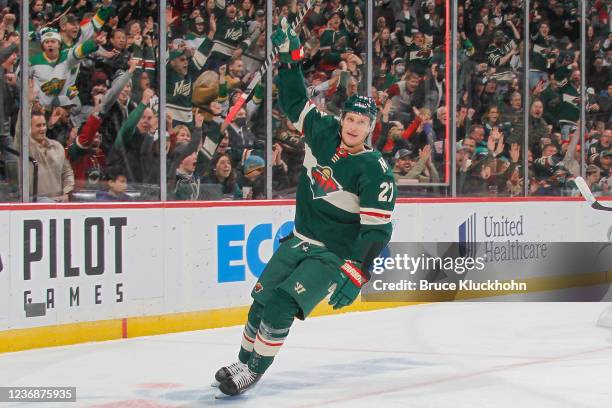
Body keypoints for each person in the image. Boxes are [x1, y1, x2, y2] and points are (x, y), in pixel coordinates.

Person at [213, 18, 396, 397]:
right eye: (350, 118)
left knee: (280, 306)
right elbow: (295, 101)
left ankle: (253, 371)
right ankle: (242, 362)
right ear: (342, 118)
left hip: (332, 253)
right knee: (260, 303)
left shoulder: (375, 171)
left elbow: (377, 230)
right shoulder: (324, 129)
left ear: (371, 127)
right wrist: (290, 60)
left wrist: (356, 271)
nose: (353, 126)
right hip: (299, 239)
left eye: (361, 122)